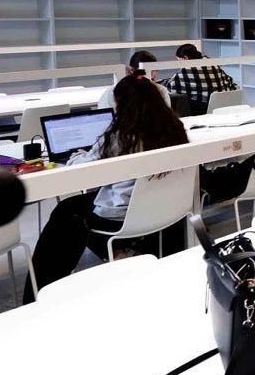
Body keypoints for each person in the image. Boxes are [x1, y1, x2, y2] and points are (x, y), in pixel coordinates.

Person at [24, 73, 190, 302]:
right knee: (81, 205)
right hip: (164, 210)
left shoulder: (121, 137)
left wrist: (78, 156)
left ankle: (38, 294)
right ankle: (123, 251)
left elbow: (80, 170)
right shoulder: (176, 130)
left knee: (67, 211)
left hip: (123, 216)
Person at [163, 43, 238, 117]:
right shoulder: (213, 63)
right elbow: (230, 81)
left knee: (178, 100)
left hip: (202, 110)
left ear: (185, 58)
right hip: (223, 106)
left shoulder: (187, 69)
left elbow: (171, 87)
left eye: (179, 61)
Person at [96, 49, 168, 110]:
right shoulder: (114, 92)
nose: (153, 75)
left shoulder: (161, 90)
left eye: (154, 71)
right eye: (147, 72)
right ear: (131, 69)